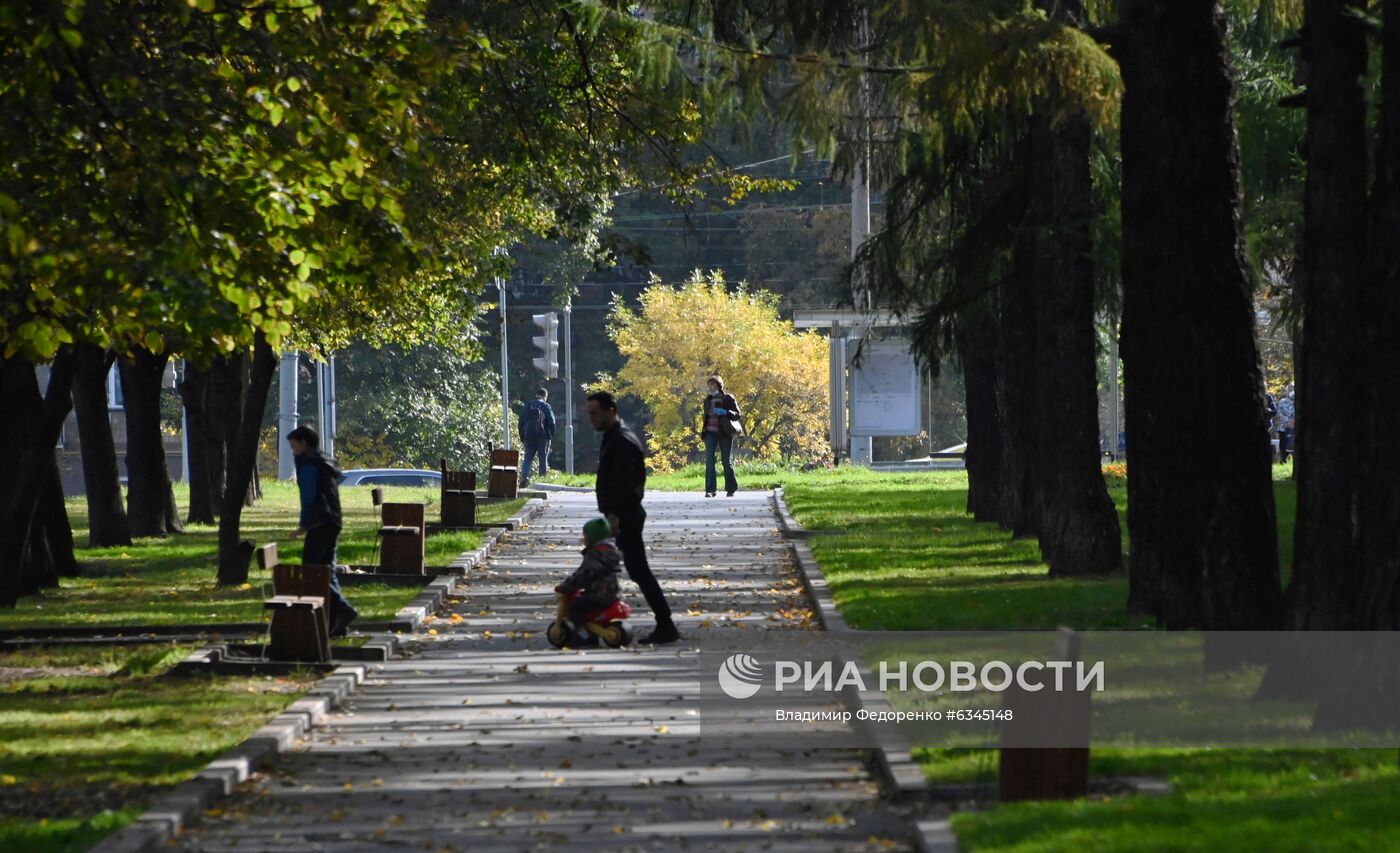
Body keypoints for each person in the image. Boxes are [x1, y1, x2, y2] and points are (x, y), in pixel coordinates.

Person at [587, 390, 679, 645]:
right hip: (619, 516)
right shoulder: (613, 437)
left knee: (638, 570)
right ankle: (599, 622)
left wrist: (615, 515)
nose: (591, 418)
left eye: (595, 413)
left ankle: (666, 624)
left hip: (625, 516)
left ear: (611, 411)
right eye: (589, 414)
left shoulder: (622, 441)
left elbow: (627, 485)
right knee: (623, 569)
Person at [286, 425, 358, 637]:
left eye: (294, 445)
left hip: (319, 522)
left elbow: (309, 498)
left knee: (313, 571)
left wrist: (303, 525)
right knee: (326, 569)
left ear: (304, 443)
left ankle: (343, 609)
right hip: (333, 520)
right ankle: (338, 622)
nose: (293, 450)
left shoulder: (310, 464)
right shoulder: (324, 460)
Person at [553, 516, 623, 648]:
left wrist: (567, 586)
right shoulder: (610, 552)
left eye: (585, 536)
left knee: (575, 609)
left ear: (592, 538)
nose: (583, 539)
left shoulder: (595, 555)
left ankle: (584, 636)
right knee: (585, 605)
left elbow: (583, 575)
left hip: (598, 594)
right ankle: (592, 631)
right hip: (612, 592)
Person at [698, 375, 741, 497]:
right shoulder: (708, 400)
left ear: (718, 385)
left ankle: (731, 488)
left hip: (724, 433)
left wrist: (726, 412)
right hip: (710, 433)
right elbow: (705, 417)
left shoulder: (728, 398)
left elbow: (738, 415)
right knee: (710, 461)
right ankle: (710, 490)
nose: (710, 387)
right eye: (709, 384)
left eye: (712, 384)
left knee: (726, 461)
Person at [518, 388, 556, 486]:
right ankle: (542, 480)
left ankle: (524, 478)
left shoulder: (528, 405)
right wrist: (550, 435)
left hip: (529, 437)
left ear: (536, 395)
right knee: (543, 458)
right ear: (545, 396)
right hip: (543, 437)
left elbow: (521, 421)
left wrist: (522, 436)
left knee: (527, 459)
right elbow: (552, 422)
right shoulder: (545, 405)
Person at [1276, 383, 1296, 464]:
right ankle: (1283, 460)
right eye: (1289, 389)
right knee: (1283, 444)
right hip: (1283, 427)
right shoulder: (1282, 401)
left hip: (1294, 427)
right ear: (1287, 391)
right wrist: (1287, 421)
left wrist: (1293, 422)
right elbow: (1279, 412)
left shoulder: (1298, 401)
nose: (1291, 391)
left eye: (1293, 389)